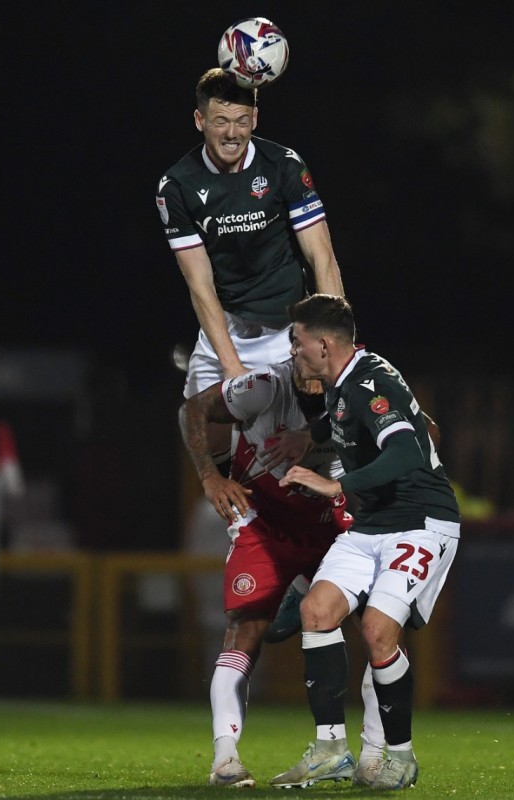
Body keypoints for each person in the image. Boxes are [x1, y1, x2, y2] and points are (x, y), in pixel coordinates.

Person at [270, 294, 461, 791]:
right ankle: (332, 749)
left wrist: (337, 485)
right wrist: (308, 436)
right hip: (371, 524)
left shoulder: (367, 383)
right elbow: (344, 418)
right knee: (317, 610)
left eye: (297, 341)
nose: (293, 350)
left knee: (377, 631)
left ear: (324, 345)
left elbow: (407, 451)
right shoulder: (342, 381)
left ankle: (399, 755)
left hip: (421, 520)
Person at [179, 357, 386, 788]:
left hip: (331, 521)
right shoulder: (264, 386)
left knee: (377, 628)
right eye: (299, 346)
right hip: (265, 521)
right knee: (245, 631)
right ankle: (225, 759)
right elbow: (193, 409)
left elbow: (428, 432)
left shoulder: (362, 384)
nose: (308, 360)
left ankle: (377, 754)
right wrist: (209, 478)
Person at [158, 67, 344, 470]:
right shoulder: (176, 186)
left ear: (255, 120)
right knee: (205, 445)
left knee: (304, 457)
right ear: (200, 120)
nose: (232, 133)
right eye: (221, 121)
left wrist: (332, 345)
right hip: (225, 331)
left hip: (286, 333)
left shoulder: (284, 166)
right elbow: (199, 284)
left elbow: (322, 258)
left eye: (242, 121)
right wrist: (231, 368)